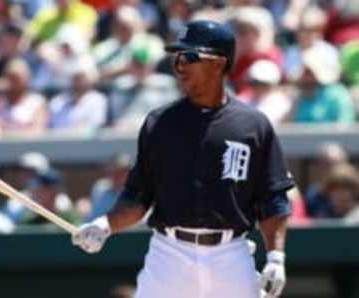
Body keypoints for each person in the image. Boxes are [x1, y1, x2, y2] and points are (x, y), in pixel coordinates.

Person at [72, 20, 294, 298]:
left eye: (190, 56)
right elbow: (138, 196)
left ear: (219, 63)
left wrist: (276, 257)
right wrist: (105, 225)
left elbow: (273, 198)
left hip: (230, 255)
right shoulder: (159, 122)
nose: (179, 65)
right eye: (177, 56)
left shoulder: (253, 125)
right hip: (169, 254)